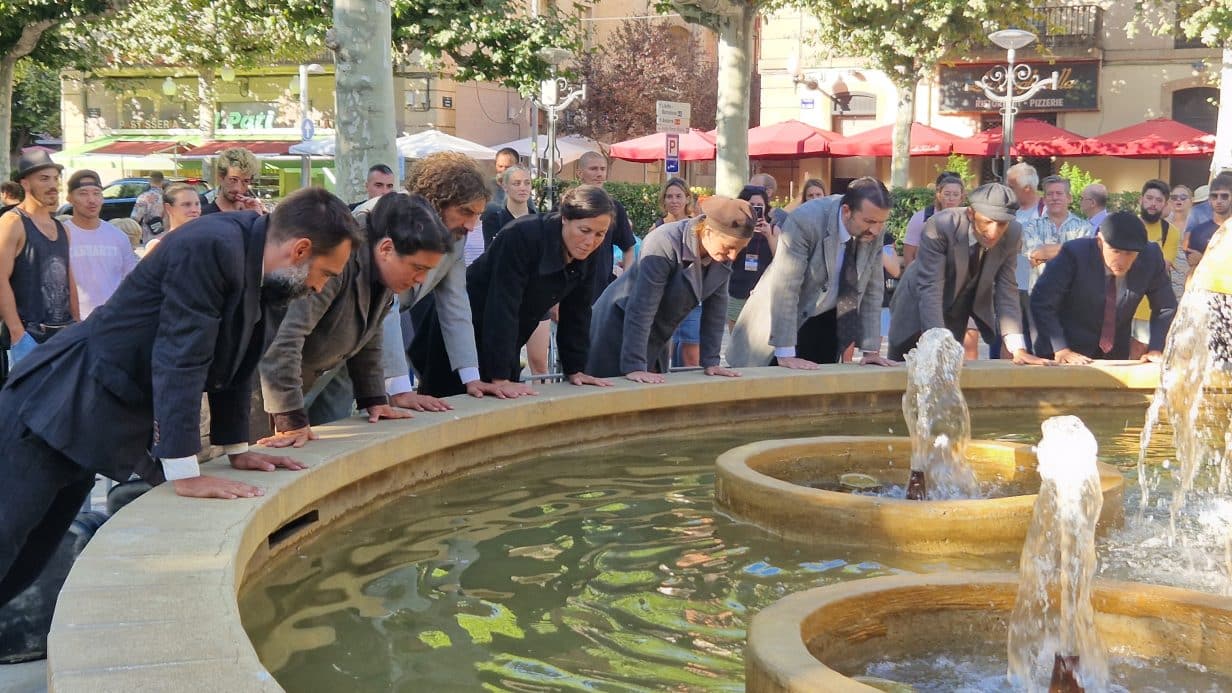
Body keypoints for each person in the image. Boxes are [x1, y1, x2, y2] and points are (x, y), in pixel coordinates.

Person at [0, 187, 362, 609]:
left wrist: (236, 447)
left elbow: (240, 361)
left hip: (92, 425)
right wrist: (184, 469)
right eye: (327, 273)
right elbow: (179, 355)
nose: (321, 287)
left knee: (26, 565)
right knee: (5, 545)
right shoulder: (210, 246)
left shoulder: (276, 276)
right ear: (300, 250)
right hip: (55, 402)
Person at [258, 194, 453, 448]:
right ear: (386, 249)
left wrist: (374, 399)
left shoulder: (381, 269)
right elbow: (285, 337)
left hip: (302, 376)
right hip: (261, 385)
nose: (420, 280)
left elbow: (370, 331)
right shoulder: (338, 259)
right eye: (418, 268)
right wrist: (289, 420)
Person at [364, 152, 533, 405]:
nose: (472, 225)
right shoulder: (380, 217)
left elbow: (455, 302)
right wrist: (400, 388)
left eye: (478, 214)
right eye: (466, 212)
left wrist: (471, 377)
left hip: (360, 343)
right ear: (435, 201)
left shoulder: (456, 234)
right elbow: (384, 307)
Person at [421, 185, 615, 394]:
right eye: (584, 230)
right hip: (463, 334)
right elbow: (502, 306)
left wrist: (575, 369)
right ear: (564, 218)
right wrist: (500, 376)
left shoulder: (592, 247)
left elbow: (578, 310)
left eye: (600, 234)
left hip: (507, 340)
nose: (590, 241)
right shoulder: (520, 235)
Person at [727, 176, 897, 369]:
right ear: (847, 211)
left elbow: (873, 288)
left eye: (881, 222)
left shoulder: (875, 226)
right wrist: (785, 353)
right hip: (784, 318)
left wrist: (871, 350)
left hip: (829, 317)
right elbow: (787, 287)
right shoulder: (806, 220)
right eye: (869, 221)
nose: (876, 230)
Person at [588, 195, 752, 381]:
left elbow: (716, 309)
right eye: (730, 247)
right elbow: (642, 308)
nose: (732, 256)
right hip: (617, 326)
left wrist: (711, 362)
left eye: (740, 249)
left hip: (657, 336)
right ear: (707, 232)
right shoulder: (663, 241)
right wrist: (634, 366)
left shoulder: (722, 253)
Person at [887, 182, 1051, 366]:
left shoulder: (1014, 232)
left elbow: (1008, 289)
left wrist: (1017, 349)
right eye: (988, 221)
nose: (994, 232)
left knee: (949, 375)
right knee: (901, 372)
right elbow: (930, 288)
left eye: (1002, 224)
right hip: (916, 303)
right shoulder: (941, 224)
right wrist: (941, 346)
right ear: (971, 213)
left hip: (957, 309)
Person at [1031, 212, 1176, 364]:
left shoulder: (1150, 257)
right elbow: (1042, 301)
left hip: (1114, 355)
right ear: (1100, 241)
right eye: (1116, 251)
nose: (1122, 260)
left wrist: (1155, 348)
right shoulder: (1074, 254)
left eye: (1129, 253)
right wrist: (1061, 349)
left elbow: (1165, 306)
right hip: (1062, 349)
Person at [0, 149, 78, 367]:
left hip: (63, 335)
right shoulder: (12, 222)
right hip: (29, 336)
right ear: (25, 183)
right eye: (44, 179)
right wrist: (18, 334)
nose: (52, 185)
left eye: (55, 178)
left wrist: (77, 325)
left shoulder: (62, 228)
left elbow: (69, 280)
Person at [479, 164, 545, 373]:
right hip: (505, 297)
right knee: (507, 361)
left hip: (534, 296)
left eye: (526, 183)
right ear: (505, 186)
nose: (523, 187)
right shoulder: (493, 218)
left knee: (539, 361)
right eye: (516, 183)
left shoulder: (540, 220)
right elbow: (491, 256)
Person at [62, 169, 138, 318]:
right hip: (72, 323)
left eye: (96, 193)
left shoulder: (118, 237)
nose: (91, 200)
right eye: (83, 193)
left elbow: (131, 282)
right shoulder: (61, 236)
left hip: (111, 321)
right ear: (70, 198)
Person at [651, 178, 703, 366]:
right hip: (664, 297)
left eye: (678, 196)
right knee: (664, 350)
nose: (674, 201)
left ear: (687, 198)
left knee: (691, 352)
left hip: (692, 295)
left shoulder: (696, 226)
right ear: (663, 200)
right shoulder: (657, 228)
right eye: (669, 196)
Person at [1129, 179, 1180, 359]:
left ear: (1165, 205)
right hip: (1122, 302)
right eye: (1149, 198)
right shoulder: (1128, 225)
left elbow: (1162, 266)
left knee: (1140, 353)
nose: (1153, 203)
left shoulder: (1170, 232)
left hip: (1150, 307)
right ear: (1141, 200)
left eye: (1158, 200)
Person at [576, 152, 636, 303]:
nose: (599, 174)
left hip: (602, 293)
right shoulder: (568, 205)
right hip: (570, 291)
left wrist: (625, 283)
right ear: (579, 173)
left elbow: (628, 248)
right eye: (594, 169)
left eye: (602, 169)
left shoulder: (614, 207)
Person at [1022, 175, 1094, 291]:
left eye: (1059, 193)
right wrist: (1073, 250)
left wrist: (1045, 254)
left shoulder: (1084, 227)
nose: (1054, 198)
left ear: (1069, 198)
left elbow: (1083, 258)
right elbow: (1035, 254)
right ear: (1044, 200)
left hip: (1072, 296)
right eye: (1050, 194)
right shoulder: (1032, 226)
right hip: (1040, 295)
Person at [727, 185, 779, 331]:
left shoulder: (773, 228)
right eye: (752, 205)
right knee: (736, 336)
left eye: (760, 205)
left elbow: (780, 258)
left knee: (760, 337)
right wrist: (745, 233)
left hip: (763, 292)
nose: (756, 209)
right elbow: (729, 255)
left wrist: (768, 235)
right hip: (738, 289)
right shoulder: (735, 228)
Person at [1004, 162, 1043, 357]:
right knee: (1009, 329)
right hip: (1010, 279)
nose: (1007, 190)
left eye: (1011, 186)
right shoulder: (1008, 211)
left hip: (1037, 282)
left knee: (1036, 333)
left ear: (1027, 188)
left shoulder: (1046, 211)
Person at [903, 172, 964, 267]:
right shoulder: (921, 218)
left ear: (961, 197)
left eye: (956, 195)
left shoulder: (967, 220)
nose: (951, 199)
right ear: (939, 195)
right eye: (947, 194)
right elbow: (909, 254)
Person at [1186, 171, 1232, 272]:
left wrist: (1203, 259)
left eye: (1224, 196)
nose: (1219, 200)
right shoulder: (1198, 231)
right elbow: (1192, 266)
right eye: (1214, 196)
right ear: (1209, 199)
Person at [200, 147, 266, 215]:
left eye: (245, 181)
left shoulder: (254, 213)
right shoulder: (202, 216)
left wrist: (257, 218)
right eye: (233, 179)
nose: (238, 188)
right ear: (220, 177)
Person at [130, 170, 165, 243]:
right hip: (168, 235)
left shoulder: (144, 197)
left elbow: (135, 218)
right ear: (162, 181)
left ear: (150, 180)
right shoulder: (169, 196)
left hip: (151, 236)